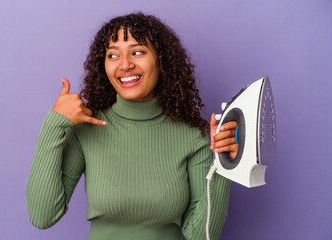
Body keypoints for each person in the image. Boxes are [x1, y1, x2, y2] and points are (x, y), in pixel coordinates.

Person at [26, 12, 238, 240]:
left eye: (137, 52)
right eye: (113, 55)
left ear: (161, 60)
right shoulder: (87, 130)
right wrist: (55, 124)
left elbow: (202, 236)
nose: (125, 65)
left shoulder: (193, 136)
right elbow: (43, 216)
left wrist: (222, 165)